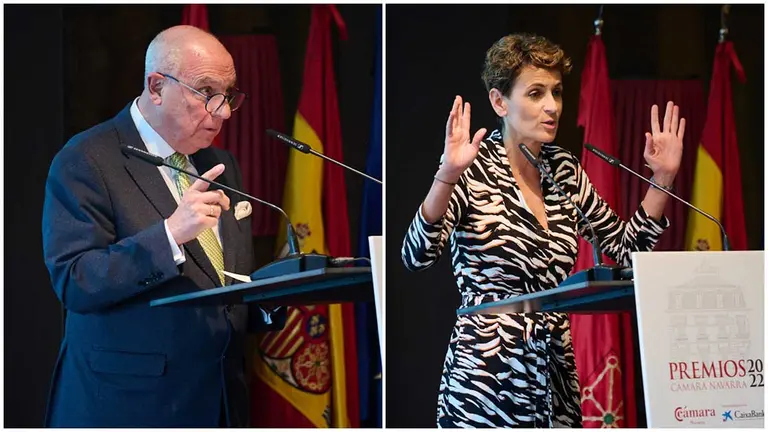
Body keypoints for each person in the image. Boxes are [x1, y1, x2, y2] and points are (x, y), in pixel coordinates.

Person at [401, 33, 684, 427]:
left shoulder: (564, 169)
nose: (552, 107)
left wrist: (663, 179)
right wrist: (446, 175)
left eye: (557, 92)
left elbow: (624, 247)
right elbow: (416, 256)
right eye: (535, 93)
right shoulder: (471, 167)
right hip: (486, 377)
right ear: (500, 101)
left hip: (554, 373)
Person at [42, 25, 284, 427]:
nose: (223, 112)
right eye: (208, 94)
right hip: (129, 406)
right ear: (156, 87)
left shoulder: (220, 164)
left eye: (229, 96)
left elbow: (224, 289)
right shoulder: (86, 159)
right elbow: (75, 279)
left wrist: (281, 293)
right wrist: (170, 235)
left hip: (218, 404)